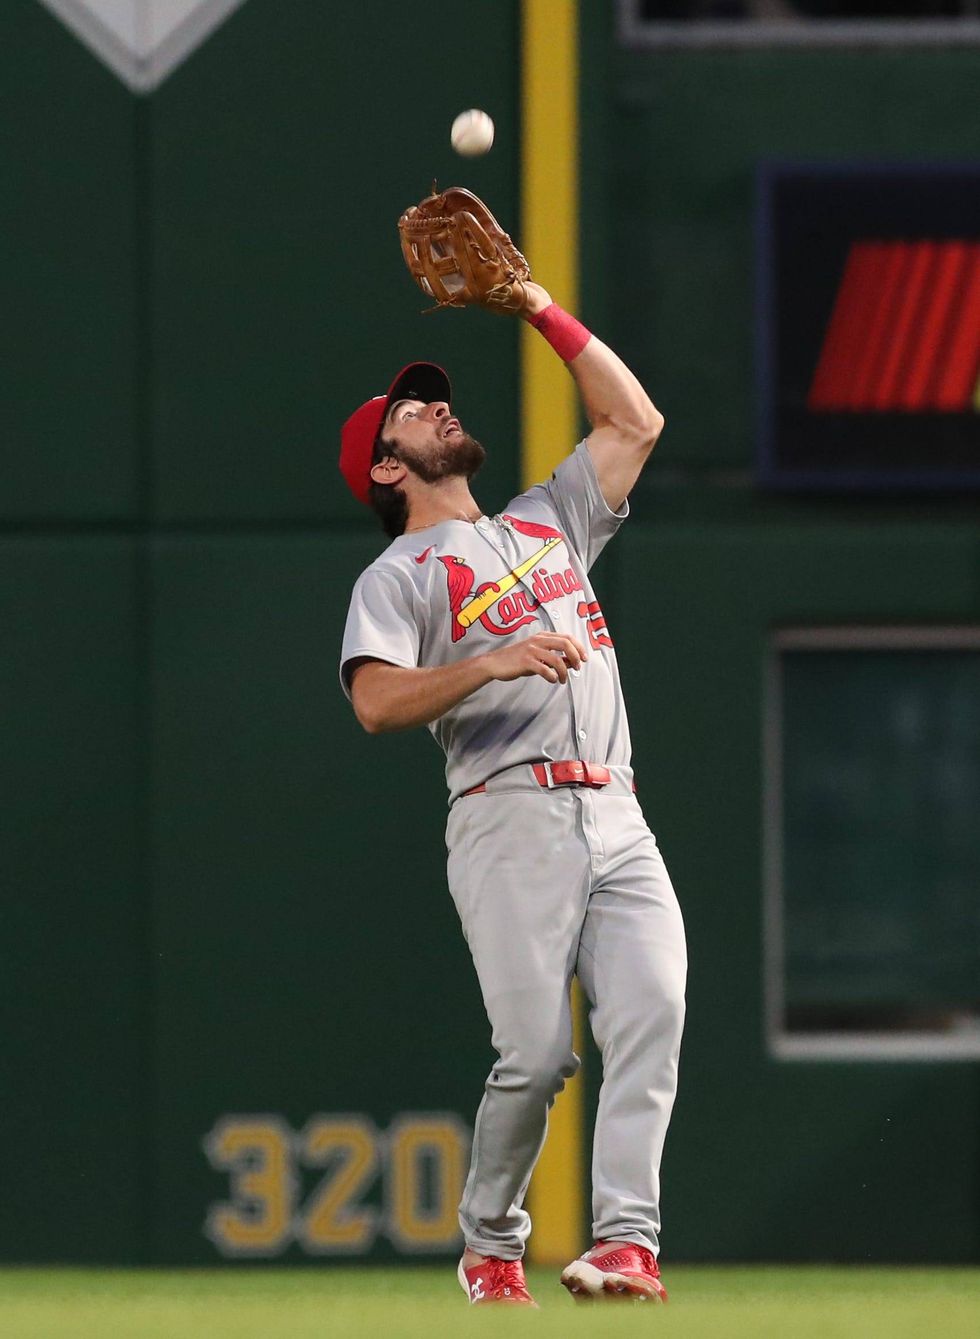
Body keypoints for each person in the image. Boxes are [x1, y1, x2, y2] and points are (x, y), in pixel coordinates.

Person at [338, 280, 687, 1307]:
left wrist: (538, 306)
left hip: (616, 810)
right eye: (413, 411)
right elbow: (373, 702)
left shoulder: (549, 521)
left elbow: (635, 420)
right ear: (386, 466)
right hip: (507, 813)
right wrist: (485, 665)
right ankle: (490, 1243)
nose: (439, 406)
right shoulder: (397, 576)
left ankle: (626, 1238)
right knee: (535, 1058)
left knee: (654, 1007)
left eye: (435, 398)